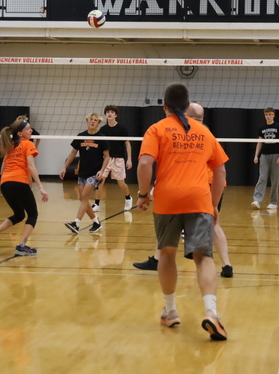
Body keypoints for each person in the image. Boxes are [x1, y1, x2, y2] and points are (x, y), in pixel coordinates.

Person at [137, 83, 229, 340]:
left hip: (167, 200)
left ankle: (171, 311)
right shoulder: (204, 131)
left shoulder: (156, 130)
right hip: (198, 199)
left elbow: (145, 163)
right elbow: (220, 171)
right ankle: (211, 312)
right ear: (188, 106)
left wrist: (143, 195)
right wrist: (213, 204)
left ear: (164, 105)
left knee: (166, 254)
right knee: (204, 258)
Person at [133, 102, 234, 277]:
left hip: (198, 184)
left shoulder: (185, 130)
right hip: (211, 183)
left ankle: (161, 261)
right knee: (214, 223)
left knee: (167, 221)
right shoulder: (204, 131)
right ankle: (227, 265)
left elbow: (175, 163)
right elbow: (220, 169)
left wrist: (154, 187)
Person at [0, 117, 49, 256]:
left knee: (19, 214)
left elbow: (2, 170)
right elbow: (31, 166)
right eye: (28, 129)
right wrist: (41, 187)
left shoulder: (9, 145)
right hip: (19, 182)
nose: (31, 131)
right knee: (33, 214)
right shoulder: (28, 144)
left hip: (5, 183)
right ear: (20, 133)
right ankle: (22, 246)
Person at [60, 113, 109, 234]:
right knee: (83, 199)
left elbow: (107, 157)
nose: (92, 122)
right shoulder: (81, 136)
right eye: (91, 120)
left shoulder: (102, 137)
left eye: (95, 120)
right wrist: (64, 167)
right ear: (87, 122)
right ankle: (96, 222)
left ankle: (76, 223)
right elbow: (72, 153)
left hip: (94, 173)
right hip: (83, 173)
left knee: (84, 197)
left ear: (98, 123)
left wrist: (102, 171)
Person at [98, 105, 133, 212]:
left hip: (118, 159)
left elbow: (127, 143)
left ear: (116, 115)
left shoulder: (121, 128)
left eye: (112, 112)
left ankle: (128, 198)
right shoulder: (103, 129)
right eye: (107, 112)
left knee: (121, 183)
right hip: (106, 159)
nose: (109, 114)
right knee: (100, 181)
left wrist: (129, 159)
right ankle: (96, 204)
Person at [251, 107, 279, 211]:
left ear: (273, 115)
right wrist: (256, 156)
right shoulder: (262, 128)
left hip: (276, 155)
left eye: (270, 114)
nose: (268, 117)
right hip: (264, 156)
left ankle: (273, 202)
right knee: (262, 177)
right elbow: (259, 143)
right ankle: (257, 200)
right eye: (266, 115)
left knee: (275, 179)